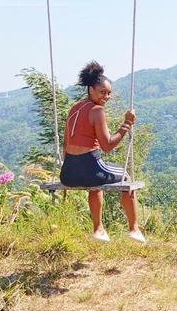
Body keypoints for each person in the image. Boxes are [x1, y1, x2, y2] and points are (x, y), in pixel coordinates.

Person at [59, 60, 145, 243]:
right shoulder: (97, 111)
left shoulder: (74, 108)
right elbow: (107, 146)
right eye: (102, 92)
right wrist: (127, 124)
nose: (106, 97)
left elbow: (65, 144)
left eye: (109, 93)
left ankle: (99, 230)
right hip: (90, 167)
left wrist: (71, 165)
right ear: (91, 90)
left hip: (67, 173)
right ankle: (134, 229)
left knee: (95, 184)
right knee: (126, 178)